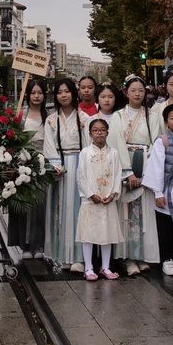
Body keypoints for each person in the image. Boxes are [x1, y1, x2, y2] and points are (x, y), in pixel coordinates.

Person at [109, 76, 166, 276]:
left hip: (147, 163)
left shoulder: (153, 115)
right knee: (126, 214)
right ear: (126, 92)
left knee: (145, 213)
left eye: (141, 90)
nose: (137, 94)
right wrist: (129, 172)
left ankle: (143, 255)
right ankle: (128, 257)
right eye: (133, 90)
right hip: (126, 163)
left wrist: (149, 171)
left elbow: (157, 144)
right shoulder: (117, 116)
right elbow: (115, 143)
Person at [43, 78, 92, 272]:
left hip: (80, 164)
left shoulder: (84, 119)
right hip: (60, 167)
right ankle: (60, 254)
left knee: (79, 210)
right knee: (59, 211)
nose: (63, 95)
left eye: (67, 91)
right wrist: (55, 165)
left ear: (74, 93)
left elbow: (88, 146)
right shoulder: (51, 120)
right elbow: (48, 145)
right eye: (59, 92)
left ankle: (79, 256)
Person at [143, 104, 173, 277]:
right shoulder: (162, 141)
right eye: (172, 118)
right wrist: (158, 192)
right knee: (166, 223)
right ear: (166, 123)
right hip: (167, 187)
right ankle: (167, 258)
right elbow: (156, 168)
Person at [76, 118, 123, 281]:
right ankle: (88, 267)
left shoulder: (114, 153)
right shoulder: (85, 153)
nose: (99, 133)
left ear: (107, 132)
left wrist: (113, 194)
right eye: (95, 130)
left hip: (107, 199)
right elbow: (80, 176)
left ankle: (105, 267)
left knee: (107, 234)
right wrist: (90, 194)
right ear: (90, 133)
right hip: (91, 201)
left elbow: (118, 175)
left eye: (102, 130)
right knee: (88, 234)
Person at [9, 78, 47, 259]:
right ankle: (24, 245)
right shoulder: (20, 114)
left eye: (40, 93)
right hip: (22, 164)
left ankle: (38, 244)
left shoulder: (49, 115)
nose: (37, 96)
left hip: (43, 164)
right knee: (23, 205)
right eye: (33, 93)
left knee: (40, 205)